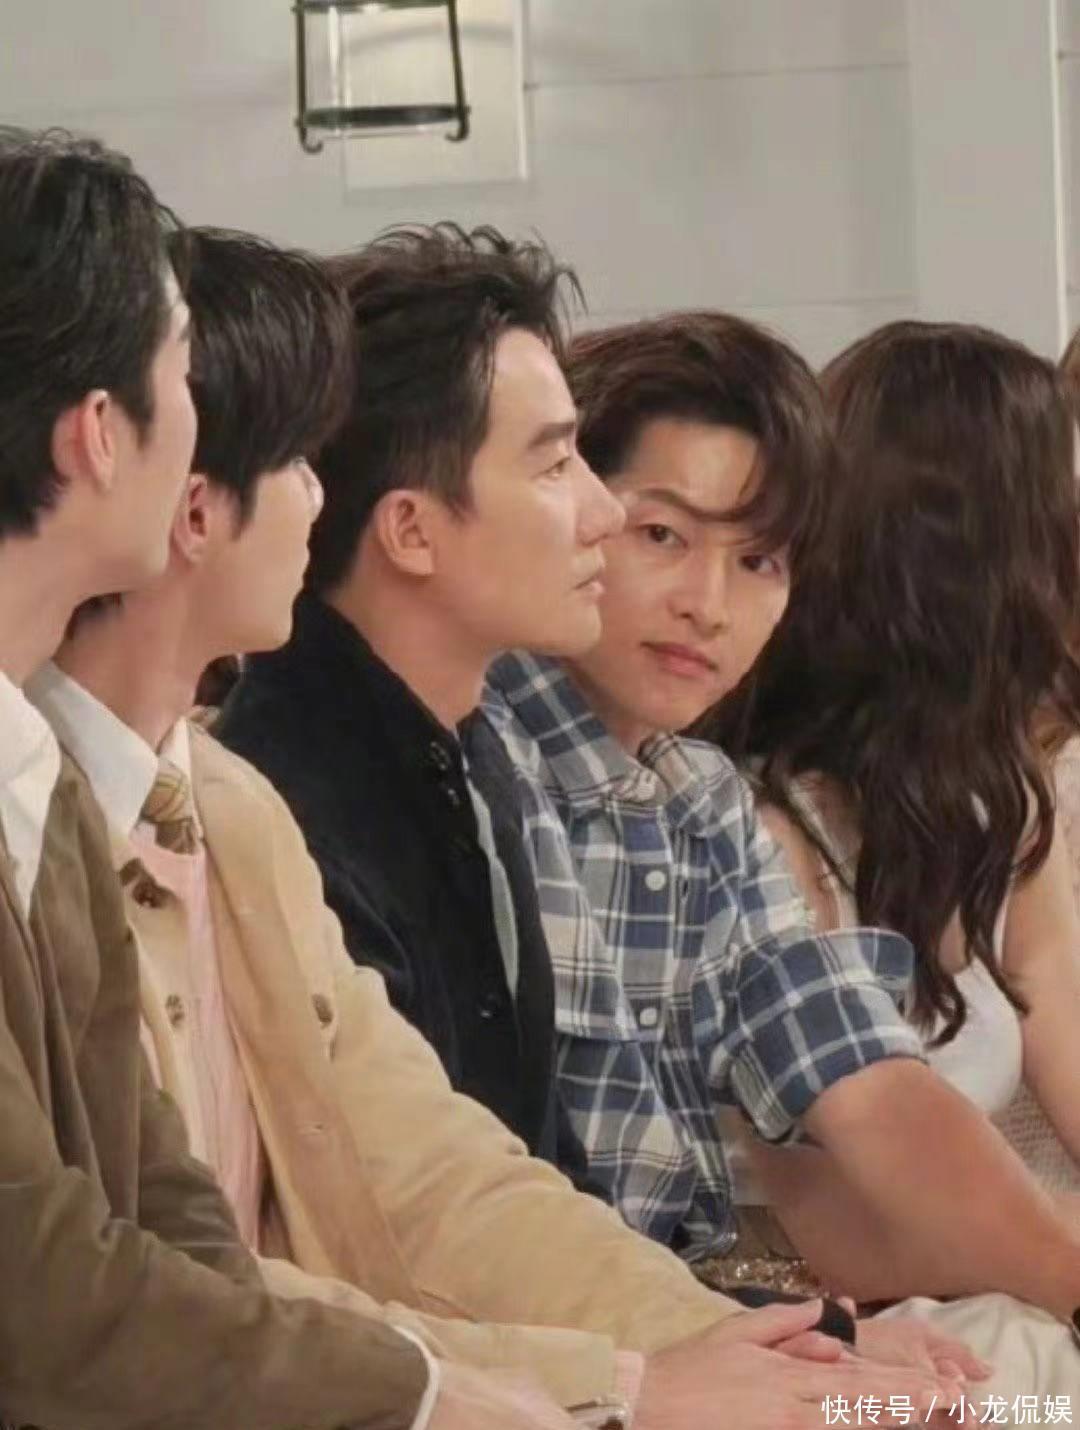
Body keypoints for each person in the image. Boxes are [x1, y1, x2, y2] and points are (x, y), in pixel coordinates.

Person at [35, 226, 976, 1430]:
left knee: (994, 1393)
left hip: (465, 1370)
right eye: (560, 466)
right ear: (183, 496)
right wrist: (637, 1385)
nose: (601, 516)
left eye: (763, 560)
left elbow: (439, 1173)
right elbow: (185, 1289)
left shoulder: (242, 799)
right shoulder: (240, 782)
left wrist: (746, 1344)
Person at [483, 311, 1080, 1401]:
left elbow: (877, 1093)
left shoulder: (695, 794)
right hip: (574, 1364)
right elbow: (470, 1214)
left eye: (757, 558)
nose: (705, 604)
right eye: (663, 535)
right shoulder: (482, 770)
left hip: (718, 1332)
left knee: (1021, 1386)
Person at [0, 124, 466, 1430]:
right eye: (179, 371)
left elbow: (164, 1198)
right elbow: (47, 1292)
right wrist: (439, 1396)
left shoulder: (36, 771)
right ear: (101, 434)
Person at [215, 223, 624, 1176]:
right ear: (410, 530)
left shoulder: (471, 746)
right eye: (554, 465)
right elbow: (408, 1197)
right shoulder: (287, 806)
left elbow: (533, 1153)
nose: (604, 512)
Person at [702, 319, 1080, 1255]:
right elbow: (835, 1237)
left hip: (989, 1298)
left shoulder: (992, 797)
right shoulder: (753, 826)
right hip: (804, 1315)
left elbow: (1062, 1020)